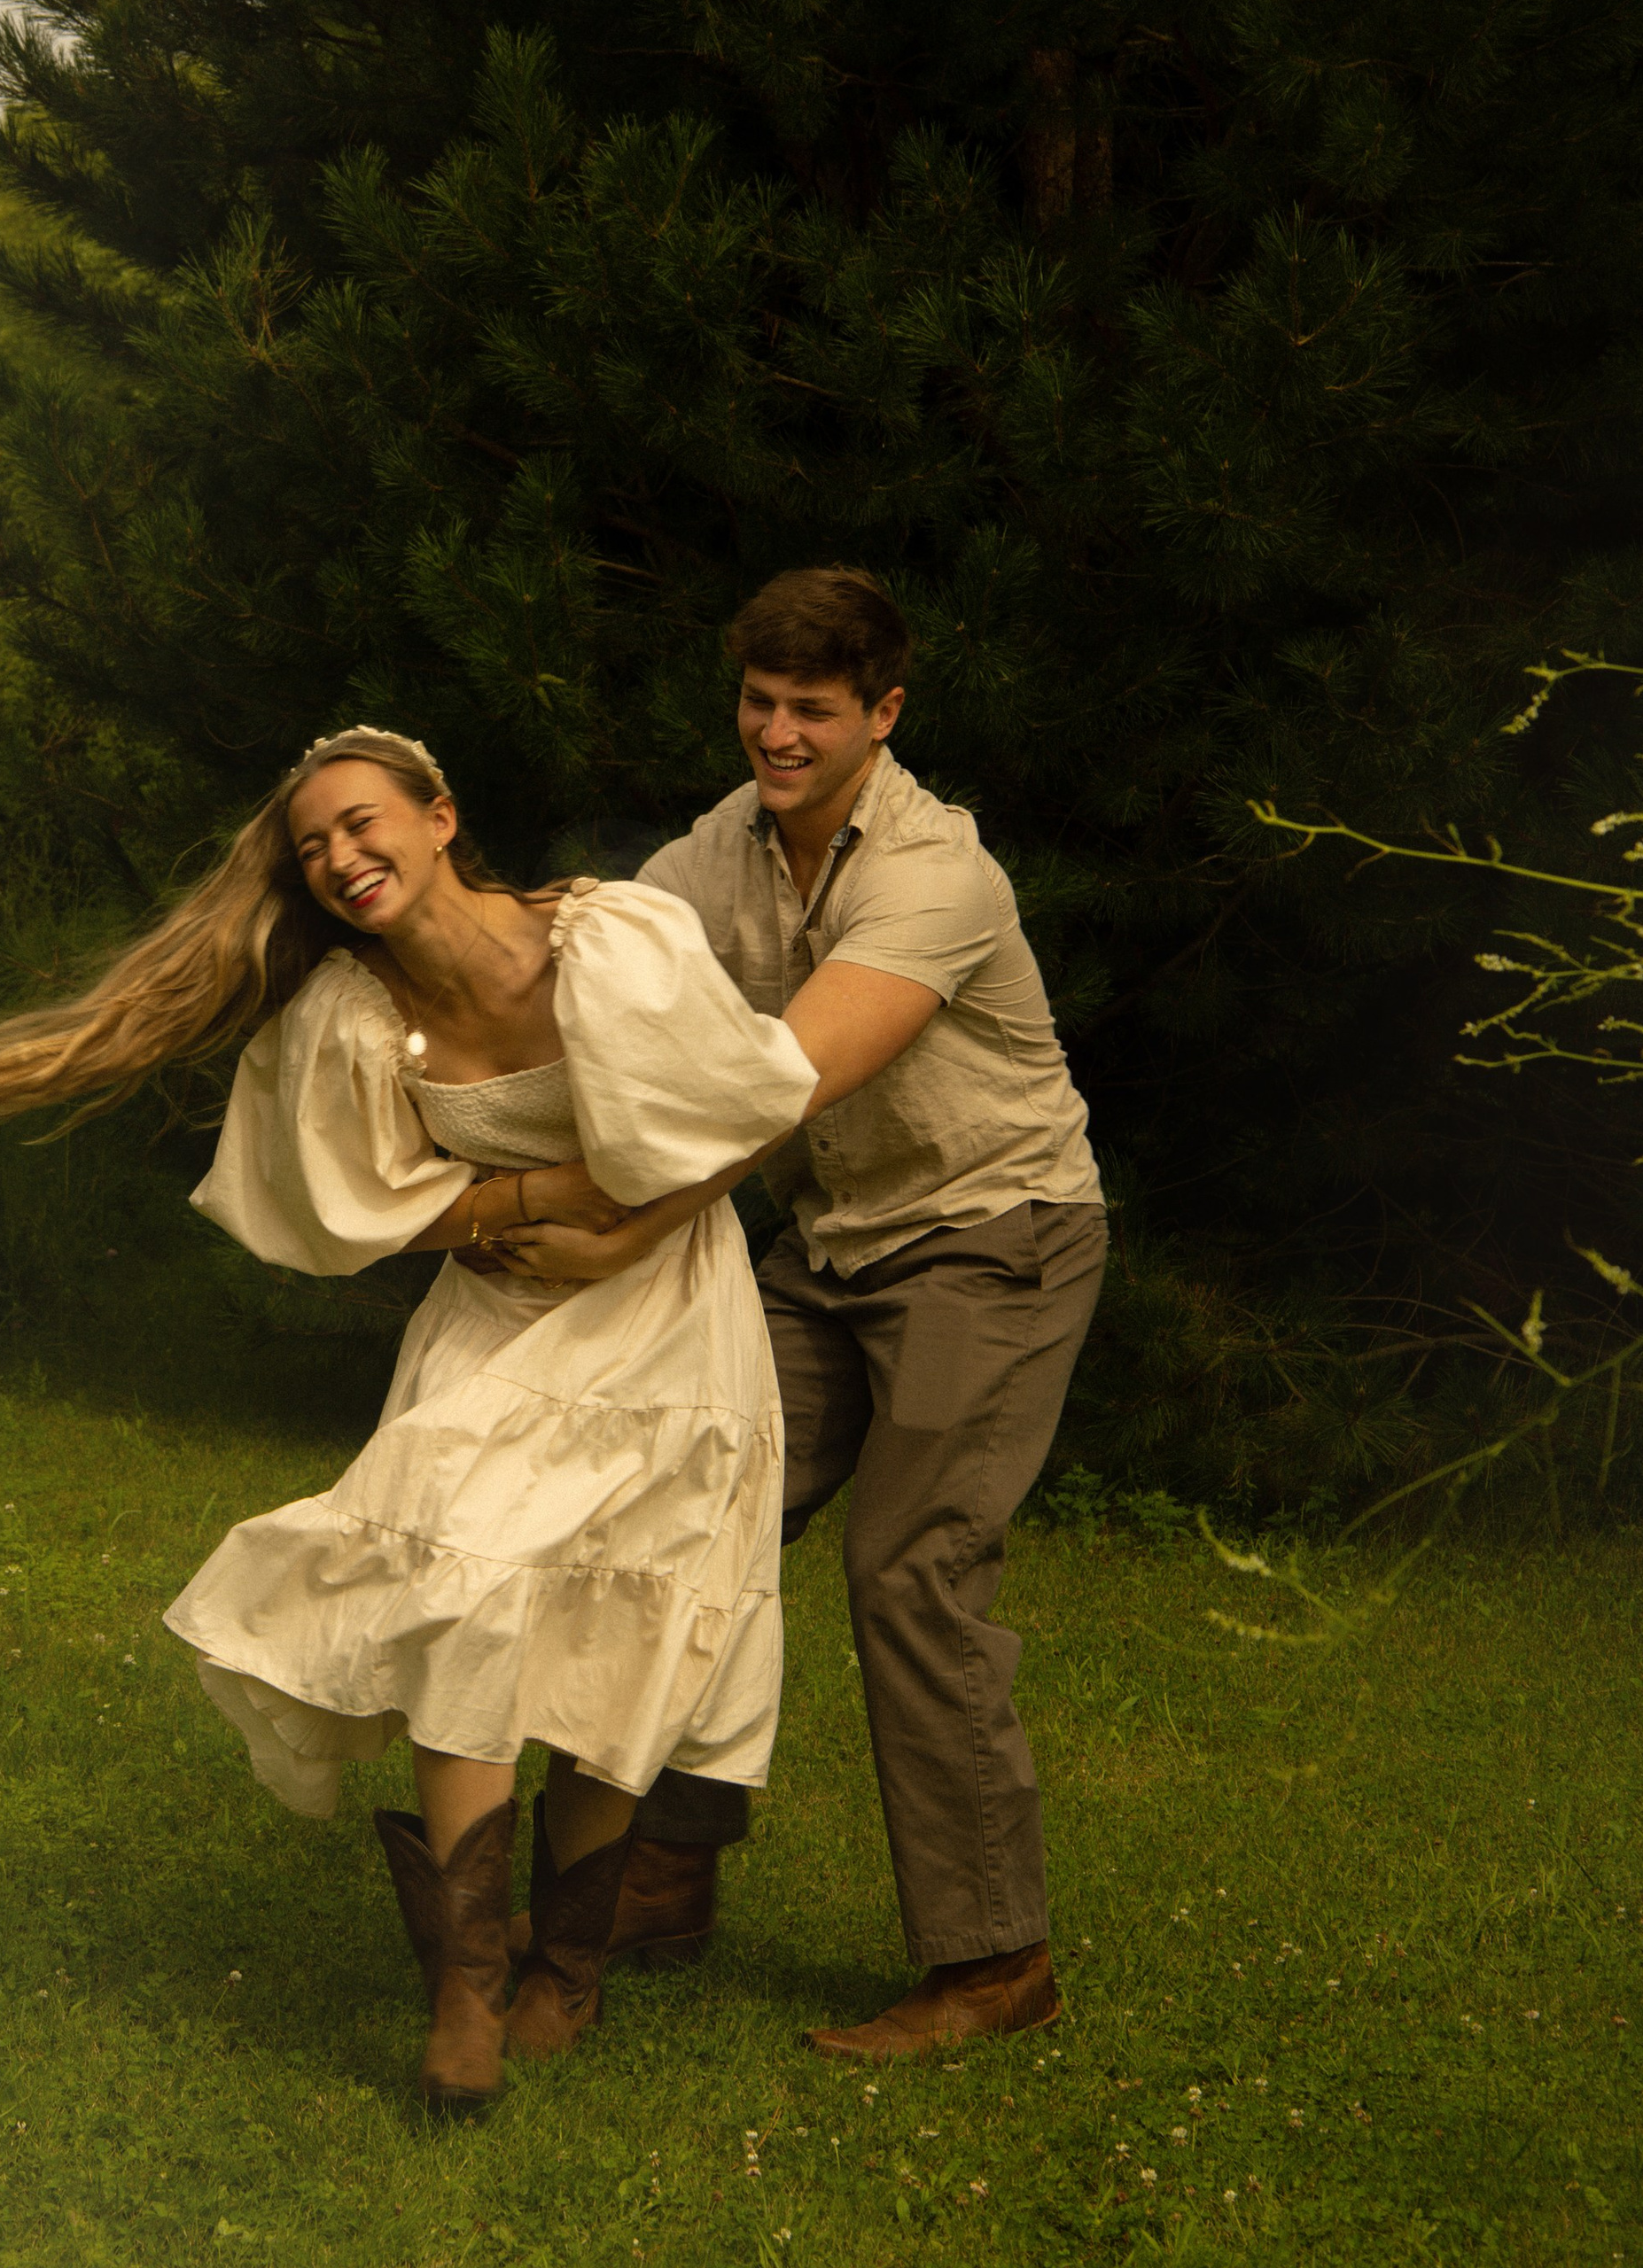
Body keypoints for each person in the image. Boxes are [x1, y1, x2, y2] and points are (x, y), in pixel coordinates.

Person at [0, 726, 848, 2113]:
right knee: (454, 1596)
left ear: (440, 817)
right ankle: (466, 1981)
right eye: (313, 848)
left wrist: (624, 1230)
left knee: (627, 1621)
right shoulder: (350, 1012)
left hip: (670, 1314)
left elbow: (748, 1110)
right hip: (499, 1319)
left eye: (361, 824)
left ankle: (566, 1966)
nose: (341, 858)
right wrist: (536, 1200)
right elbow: (356, 1209)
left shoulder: (614, 940)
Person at [520, 569, 1108, 2063]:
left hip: (994, 1237)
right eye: (759, 701)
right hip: (835, 1246)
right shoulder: (720, 846)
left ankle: (995, 1962)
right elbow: (580, 962)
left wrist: (610, 1218)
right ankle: (662, 1875)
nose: (778, 733)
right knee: (688, 1508)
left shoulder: (939, 875)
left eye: (815, 710)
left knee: (910, 1569)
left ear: (883, 714)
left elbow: (779, 1081)